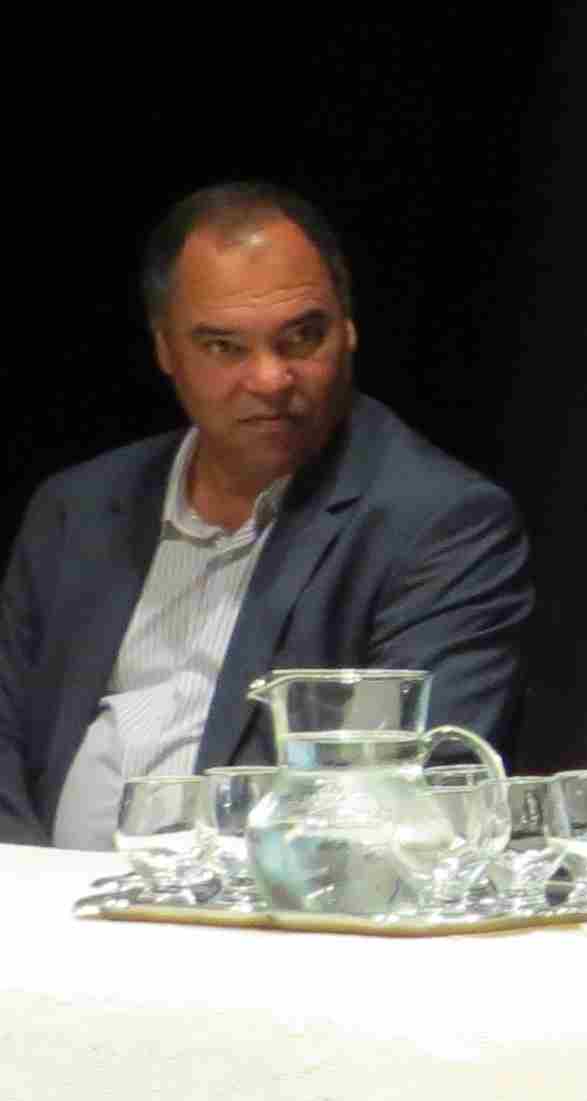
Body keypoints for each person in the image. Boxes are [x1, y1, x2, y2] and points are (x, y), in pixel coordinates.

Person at [0, 183, 532, 845]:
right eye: (224, 347)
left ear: (349, 327)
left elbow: (413, 799)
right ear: (166, 350)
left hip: (249, 902)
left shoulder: (440, 524)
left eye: (302, 338)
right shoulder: (77, 510)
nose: (270, 379)